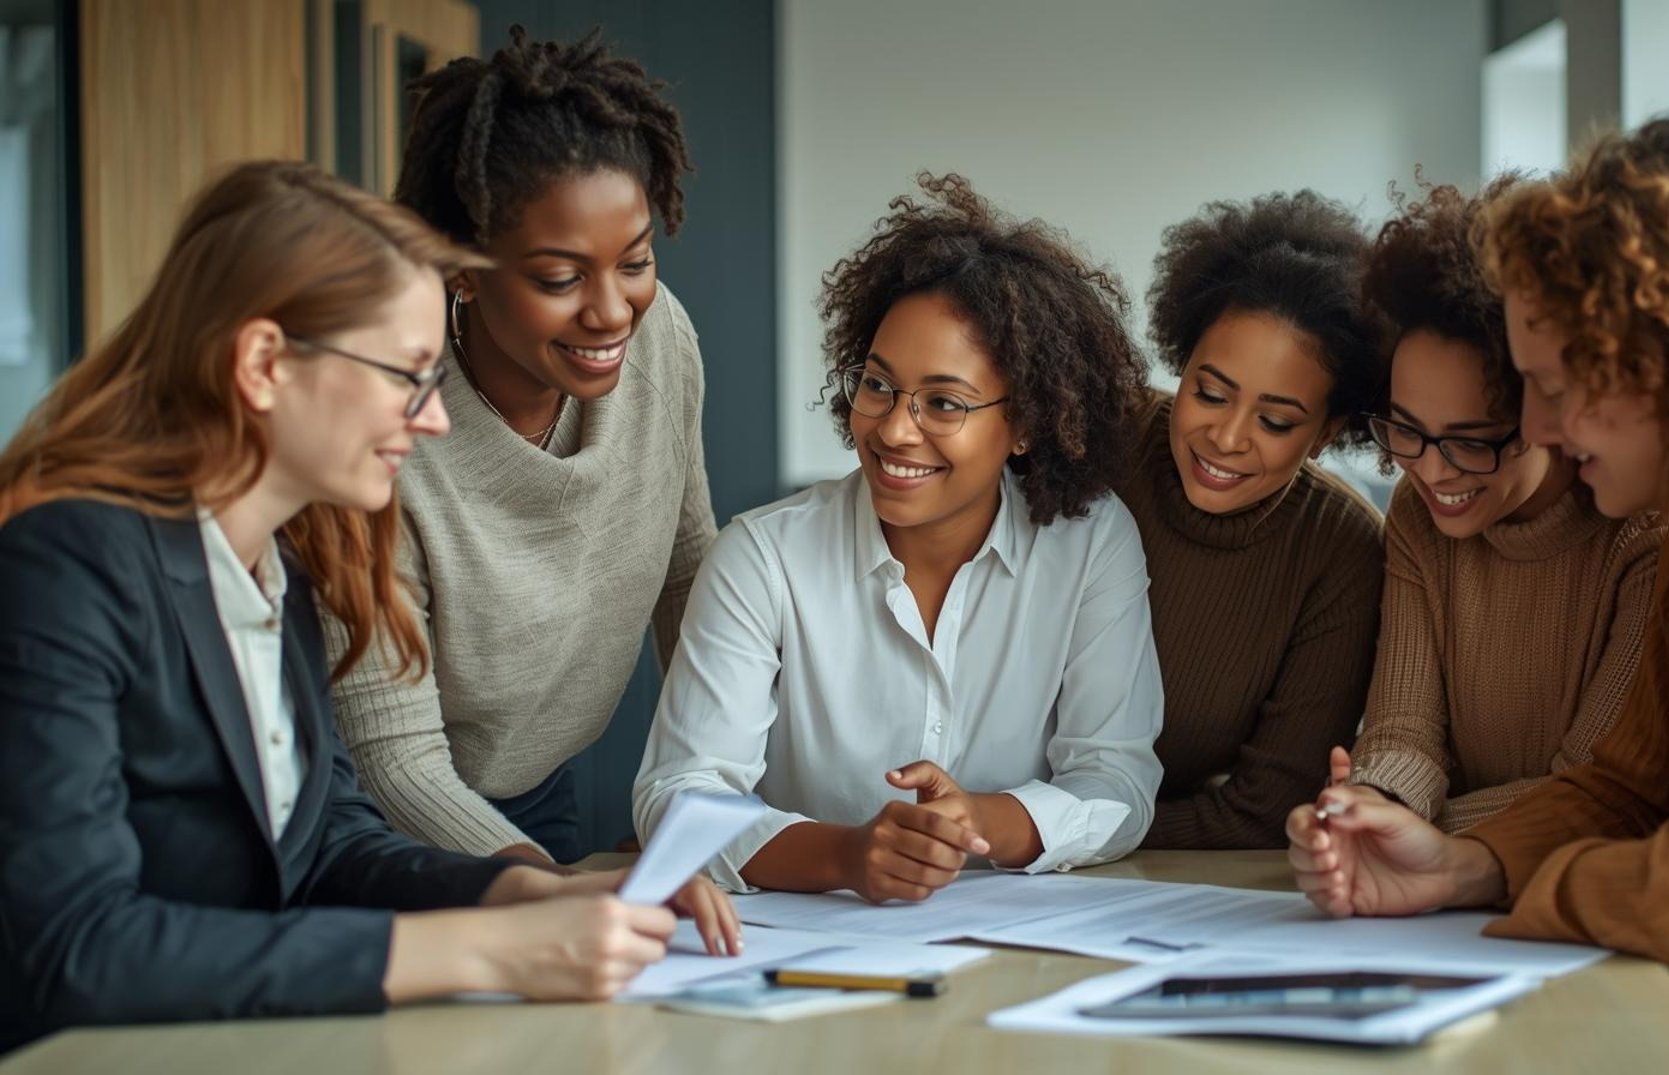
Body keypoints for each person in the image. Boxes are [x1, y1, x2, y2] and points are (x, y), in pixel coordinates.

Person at [0, 161, 736, 1053]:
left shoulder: (282, 561)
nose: (432, 421)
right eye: (406, 376)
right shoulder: (66, 564)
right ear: (265, 363)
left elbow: (327, 845)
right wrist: (482, 948)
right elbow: (75, 947)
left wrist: (534, 892)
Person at [1288, 118, 1669, 1073]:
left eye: (1556, 385)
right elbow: (1629, 787)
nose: (1537, 423)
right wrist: (1459, 867)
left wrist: (1537, 879)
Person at [633, 174, 1163, 900]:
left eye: (944, 402)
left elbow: (1118, 782)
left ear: (1028, 424)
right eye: (877, 385)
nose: (893, 428)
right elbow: (679, 798)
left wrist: (975, 819)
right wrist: (847, 857)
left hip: (1017, 958)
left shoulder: (1090, 543)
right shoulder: (762, 558)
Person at [325, 28, 719, 866]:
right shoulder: (385, 421)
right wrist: (553, 896)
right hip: (373, 817)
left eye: (636, 260)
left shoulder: (662, 342)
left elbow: (686, 570)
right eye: (559, 278)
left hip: (538, 782)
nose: (613, 312)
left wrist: (720, 807)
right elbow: (393, 752)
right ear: (463, 270)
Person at [1338, 175, 1661, 833]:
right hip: (1449, 891)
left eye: (1471, 442)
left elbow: (1596, 786)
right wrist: (1372, 807)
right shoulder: (1416, 515)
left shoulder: (1642, 530)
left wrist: (1416, 834)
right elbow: (1404, 729)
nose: (1430, 470)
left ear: (1550, 408)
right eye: (1405, 428)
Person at [1115, 192, 1385, 849]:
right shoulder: (1098, 435)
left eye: (1276, 420)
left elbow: (1261, 812)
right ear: (1180, 362)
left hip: (1118, 879)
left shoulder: (1343, 547)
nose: (1227, 438)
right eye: (1209, 393)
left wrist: (1044, 836)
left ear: (1326, 433)